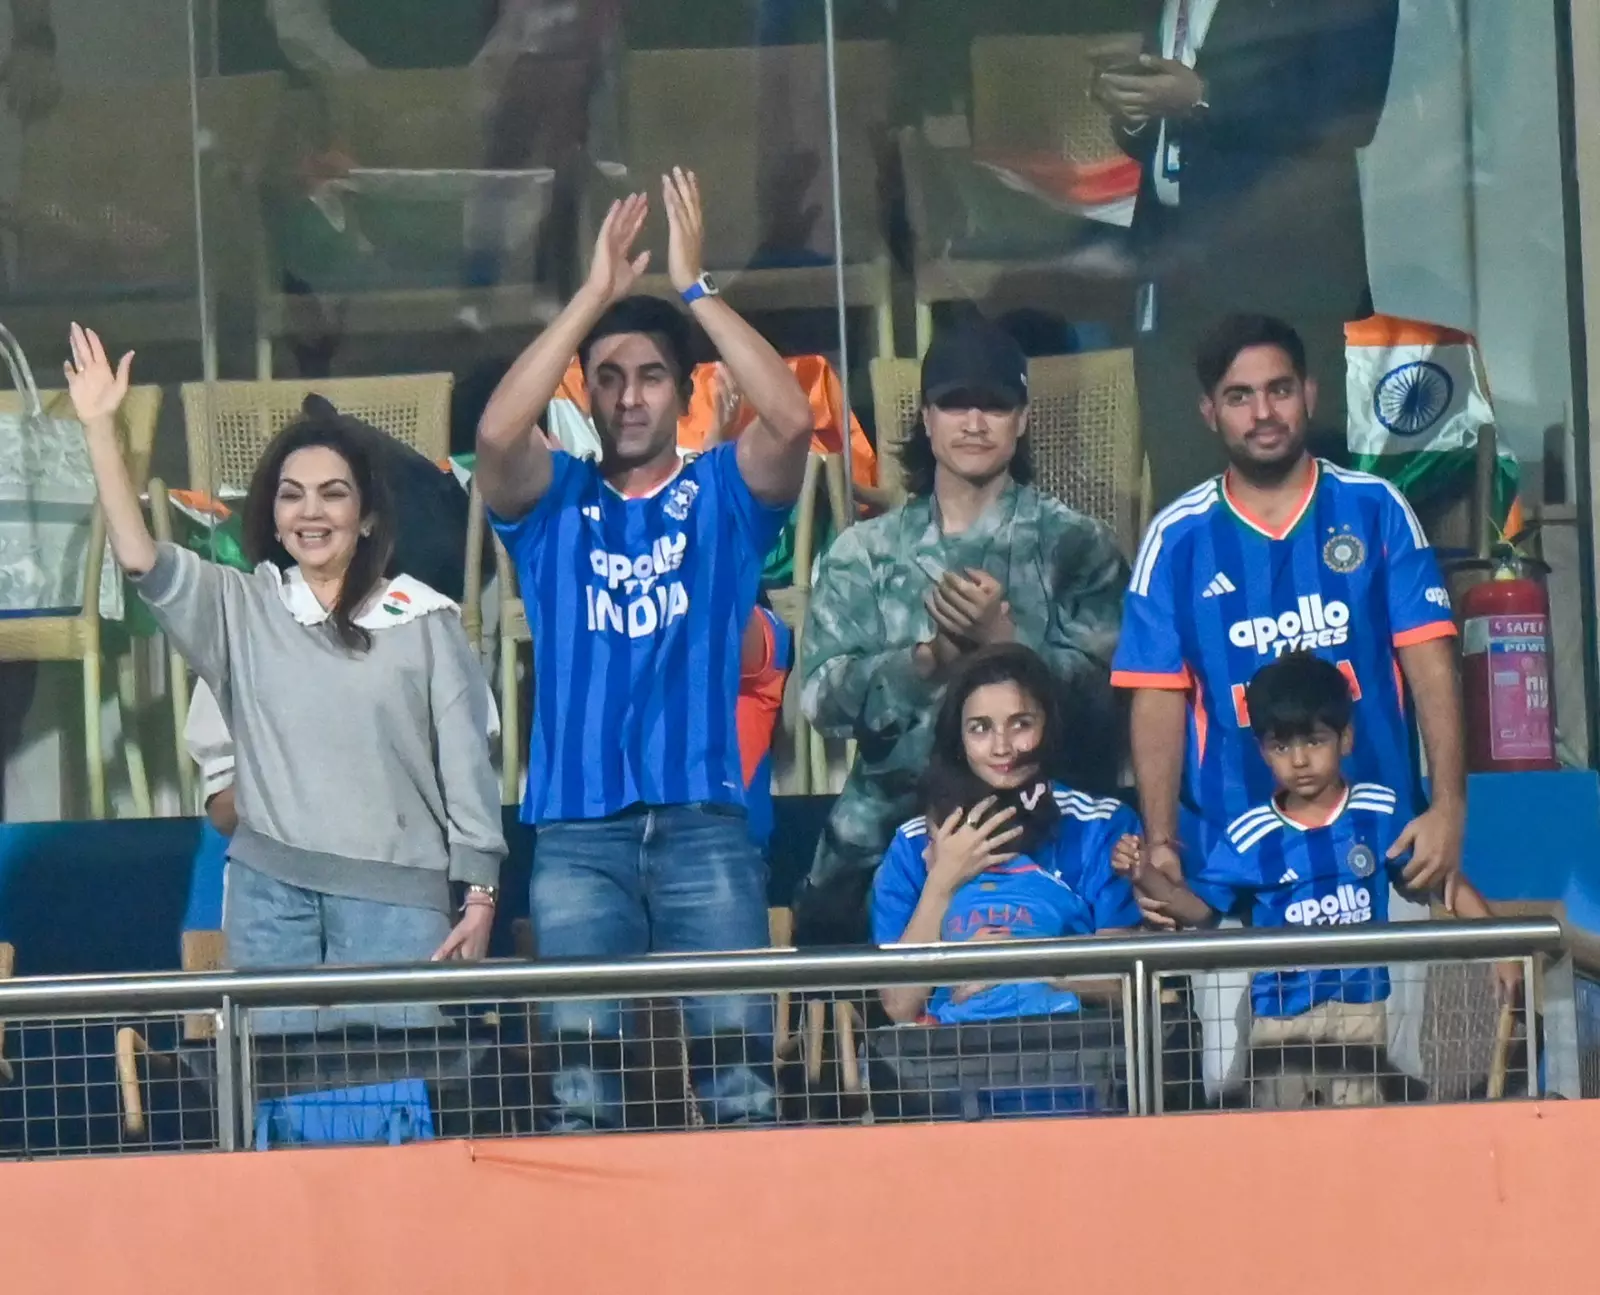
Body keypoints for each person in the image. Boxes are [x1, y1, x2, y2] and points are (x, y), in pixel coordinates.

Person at [475, 170, 814, 1130]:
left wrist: (694, 287)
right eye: (609, 378)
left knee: (741, 1090)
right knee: (583, 1095)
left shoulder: (724, 492)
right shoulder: (553, 500)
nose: (629, 398)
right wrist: (592, 299)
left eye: (652, 376)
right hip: (577, 829)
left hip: (705, 816)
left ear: (686, 389)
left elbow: (792, 419)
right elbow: (496, 432)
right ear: (585, 392)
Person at [64, 324, 505, 1030]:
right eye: (292, 495)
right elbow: (142, 559)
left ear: (367, 516)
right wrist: (98, 429)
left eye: (333, 494)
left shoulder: (425, 619)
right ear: (273, 515)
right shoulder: (242, 608)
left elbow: (467, 772)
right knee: (277, 1088)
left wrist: (479, 898)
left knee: (397, 1090)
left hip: (398, 906)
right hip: (271, 907)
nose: (311, 512)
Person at [1112, 314, 1465, 906]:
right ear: (1209, 412)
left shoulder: (1376, 509)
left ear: (1309, 394)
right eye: (1239, 397)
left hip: (1385, 854)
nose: (1263, 413)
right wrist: (1162, 840)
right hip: (1225, 868)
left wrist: (1450, 807)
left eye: (1279, 389)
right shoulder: (1176, 539)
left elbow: (1431, 667)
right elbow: (1156, 699)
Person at [799, 316, 1129, 941]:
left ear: (1021, 420)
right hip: (887, 832)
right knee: (829, 922)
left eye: (994, 405)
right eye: (955, 404)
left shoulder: (1076, 545)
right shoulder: (864, 553)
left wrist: (1005, 646)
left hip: (1049, 831)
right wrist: (931, 659)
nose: (974, 423)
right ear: (926, 419)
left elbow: (1113, 700)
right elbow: (822, 703)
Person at [1116, 652, 1515, 1109]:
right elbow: (1200, 910)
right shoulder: (1249, 836)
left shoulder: (1378, 812)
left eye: (1314, 741)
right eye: (1281, 747)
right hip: (1278, 1021)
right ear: (1262, 751)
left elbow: (1441, 880)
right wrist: (1144, 873)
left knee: (1359, 1133)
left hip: (1360, 1011)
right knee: (1282, 1138)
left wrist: (1504, 948)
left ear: (1346, 739)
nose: (1300, 760)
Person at [1094, 0, 1399, 506]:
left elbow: (1348, 108)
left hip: (1280, 278)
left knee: (1292, 497)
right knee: (1186, 491)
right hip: (1170, 275)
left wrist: (1204, 97)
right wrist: (1131, 108)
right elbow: (1169, 136)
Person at [873, 645, 1144, 1027]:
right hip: (952, 1053)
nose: (1001, 747)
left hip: (1072, 1043)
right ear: (958, 738)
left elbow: (1124, 983)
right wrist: (942, 882)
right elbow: (899, 1004)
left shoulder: (1101, 825)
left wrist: (1023, 960)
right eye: (980, 728)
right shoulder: (914, 843)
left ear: (1049, 725)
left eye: (1021, 724)